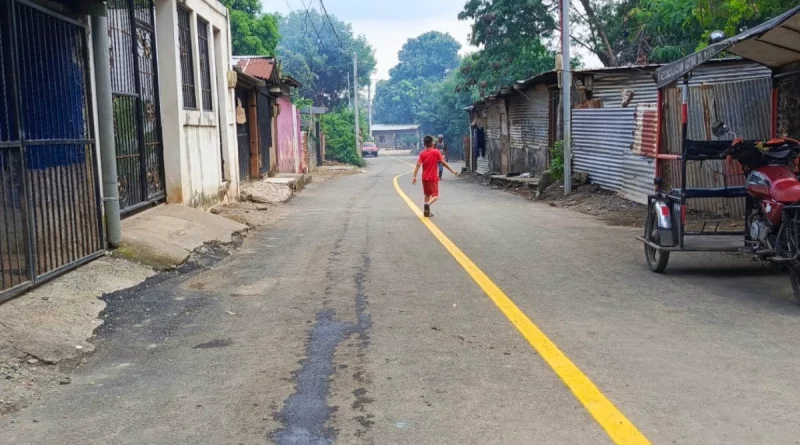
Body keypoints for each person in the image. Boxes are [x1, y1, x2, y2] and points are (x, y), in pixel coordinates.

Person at [412, 135, 459, 217]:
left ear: (424, 144)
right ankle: (427, 204)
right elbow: (443, 163)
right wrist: (452, 171)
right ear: (432, 143)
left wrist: (414, 176)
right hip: (433, 178)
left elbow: (418, 165)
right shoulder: (436, 152)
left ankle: (427, 212)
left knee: (427, 194)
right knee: (435, 196)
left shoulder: (422, 154)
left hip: (424, 178)